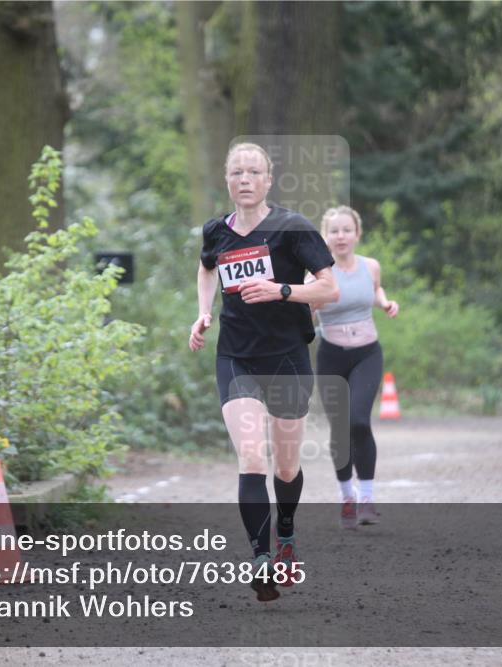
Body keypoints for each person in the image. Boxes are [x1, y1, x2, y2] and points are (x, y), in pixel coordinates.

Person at [189, 142, 339, 601]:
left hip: (288, 357)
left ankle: (286, 534)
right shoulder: (216, 231)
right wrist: (203, 312)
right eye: (237, 172)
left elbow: (328, 289)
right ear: (228, 180)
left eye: (254, 172)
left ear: (268, 180)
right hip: (236, 356)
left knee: (287, 465)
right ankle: (260, 560)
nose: (245, 179)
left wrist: (281, 290)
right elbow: (205, 267)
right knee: (252, 457)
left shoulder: (293, 229)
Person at [310, 206, 399, 530]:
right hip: (332, 356)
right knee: (340, 429)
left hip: (367, 354)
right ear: (326, 236)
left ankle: (367, 499)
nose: (341, 236)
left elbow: (374, 290)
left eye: (347, 230)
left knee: (359, 421)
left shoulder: (371, 266)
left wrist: (385, 302)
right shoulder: (317, 274)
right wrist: (310, 309)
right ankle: (347, 495)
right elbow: (308, 316)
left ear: (357, 233)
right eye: (334, 231)